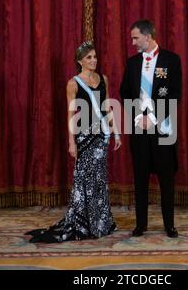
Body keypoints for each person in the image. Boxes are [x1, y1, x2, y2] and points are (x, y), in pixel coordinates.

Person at [25, 41, 122, 243]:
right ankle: (82, 222)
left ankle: (100, 222)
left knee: (99, 180)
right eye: (89, 58)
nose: (94, 60)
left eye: (95, 56)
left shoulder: (103, 78)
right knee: (83, 181)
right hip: (84, 137)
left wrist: (117, 133)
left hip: (101, 137)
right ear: (80, 61)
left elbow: (107, 107)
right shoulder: (73, 83)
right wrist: (71, 142)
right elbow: (71, 115)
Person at [120, 19, 182, 238]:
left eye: (136, 38)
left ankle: (169, 225)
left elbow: (175, 95)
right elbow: (125, 92)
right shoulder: (132, 62)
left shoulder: (171, 60)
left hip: (163, 128)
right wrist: (139, 117)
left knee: (166, 179)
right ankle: (141, 224)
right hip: (139, 129)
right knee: (140, 177)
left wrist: (154, 118)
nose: (133, 42)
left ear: (148, 36)